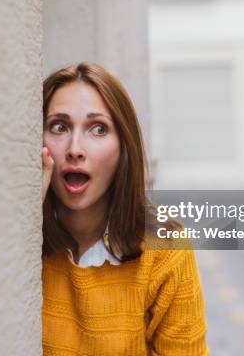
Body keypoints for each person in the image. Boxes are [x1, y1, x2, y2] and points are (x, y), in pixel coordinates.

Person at [40, 62, 209, 355]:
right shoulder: (20, 245)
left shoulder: (165, 249)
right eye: (59, 126)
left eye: (98, 128)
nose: (75, 148)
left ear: (123, 148)